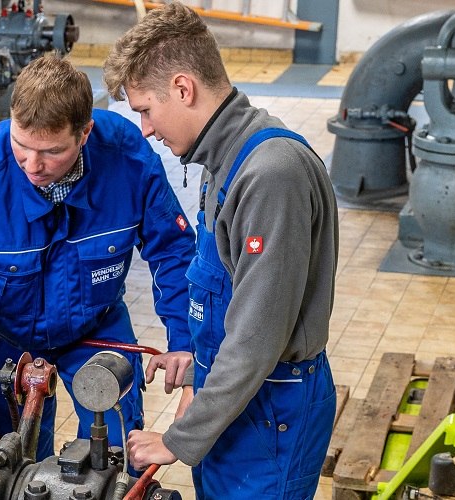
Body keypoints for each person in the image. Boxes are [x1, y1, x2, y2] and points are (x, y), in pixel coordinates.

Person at [0, 54, 196, 460]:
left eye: (50, 151)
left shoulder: (126, 159)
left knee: (115, 451)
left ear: (85, 133)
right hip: (3, 335)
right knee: (13, 457)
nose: (32, 165)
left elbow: (173, 250)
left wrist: (184, 342)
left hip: (96, 326)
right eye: (21, 145)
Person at [104, 3, 339, 498]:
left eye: (146, 108)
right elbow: (234, 297)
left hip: (272, 413)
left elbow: (258, 337)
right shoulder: (222, 161)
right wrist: (196, 362)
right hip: (236, 403)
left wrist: (179, 438)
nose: (144, 128)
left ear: (183, 89)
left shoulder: (270, 173)